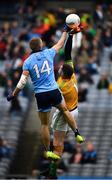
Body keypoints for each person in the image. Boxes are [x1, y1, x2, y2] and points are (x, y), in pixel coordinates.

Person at [7, 25, 84, 162]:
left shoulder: (27, 62)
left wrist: (14, 94)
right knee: (65, 109)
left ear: (31, 48)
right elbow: (60, 44)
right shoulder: (48, 53)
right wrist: (66, 31)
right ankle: (77, 133)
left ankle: (48, 150)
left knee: (44, 124)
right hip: (53, 90)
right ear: (41, 44)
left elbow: (22, 82)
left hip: (41, 95)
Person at [48, 31, 84, 178]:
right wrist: (70, 35)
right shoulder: (72, 75)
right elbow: (68, 53)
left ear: (62, 73)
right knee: (58, 140)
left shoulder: (60, 86)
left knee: (57, 141)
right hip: (74, 109)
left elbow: (53, 100)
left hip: (66, 113)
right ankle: (52, 168)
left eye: (61, 67)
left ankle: (52, 172)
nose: (60, 67)